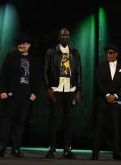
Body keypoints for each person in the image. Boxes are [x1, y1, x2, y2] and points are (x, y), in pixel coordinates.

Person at [0, 33, 39, 158]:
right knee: (6, 120)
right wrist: (2, 91)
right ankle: (2, 146)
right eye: (19, 43)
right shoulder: (11, 57)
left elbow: (36, 79)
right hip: (11, 94)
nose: (21, 45)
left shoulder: (34, 60)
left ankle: (16, 148)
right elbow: (3, 75)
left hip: (25, 95)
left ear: (29, 45)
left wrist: (35, 93)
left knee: (20, 122)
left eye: (23, 43)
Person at [43, 27, 83, 159]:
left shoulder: (75, 52)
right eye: (62, 35)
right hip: (56, 89)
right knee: (54, 119)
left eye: (67, 35)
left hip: (70, 90)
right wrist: (48, 87)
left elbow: (78, 71)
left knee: (69, 120)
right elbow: (46, 70)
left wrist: (79, 90)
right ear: (59, 38)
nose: (65, 37)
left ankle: (67, 149)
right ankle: (52, 148)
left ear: (69, 37)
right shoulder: (51, 52)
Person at [92, 45, 121, 160]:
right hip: (103, 100)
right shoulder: (100, 67)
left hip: (116, 101)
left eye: (111, 53)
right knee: (99, 127)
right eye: (107, 53)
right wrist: (107, 95)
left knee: (116, 127)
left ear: (116, 54)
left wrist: (115, 96)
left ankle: (116, 152)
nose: (108, 55)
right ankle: (95, 153)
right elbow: (98, 82)